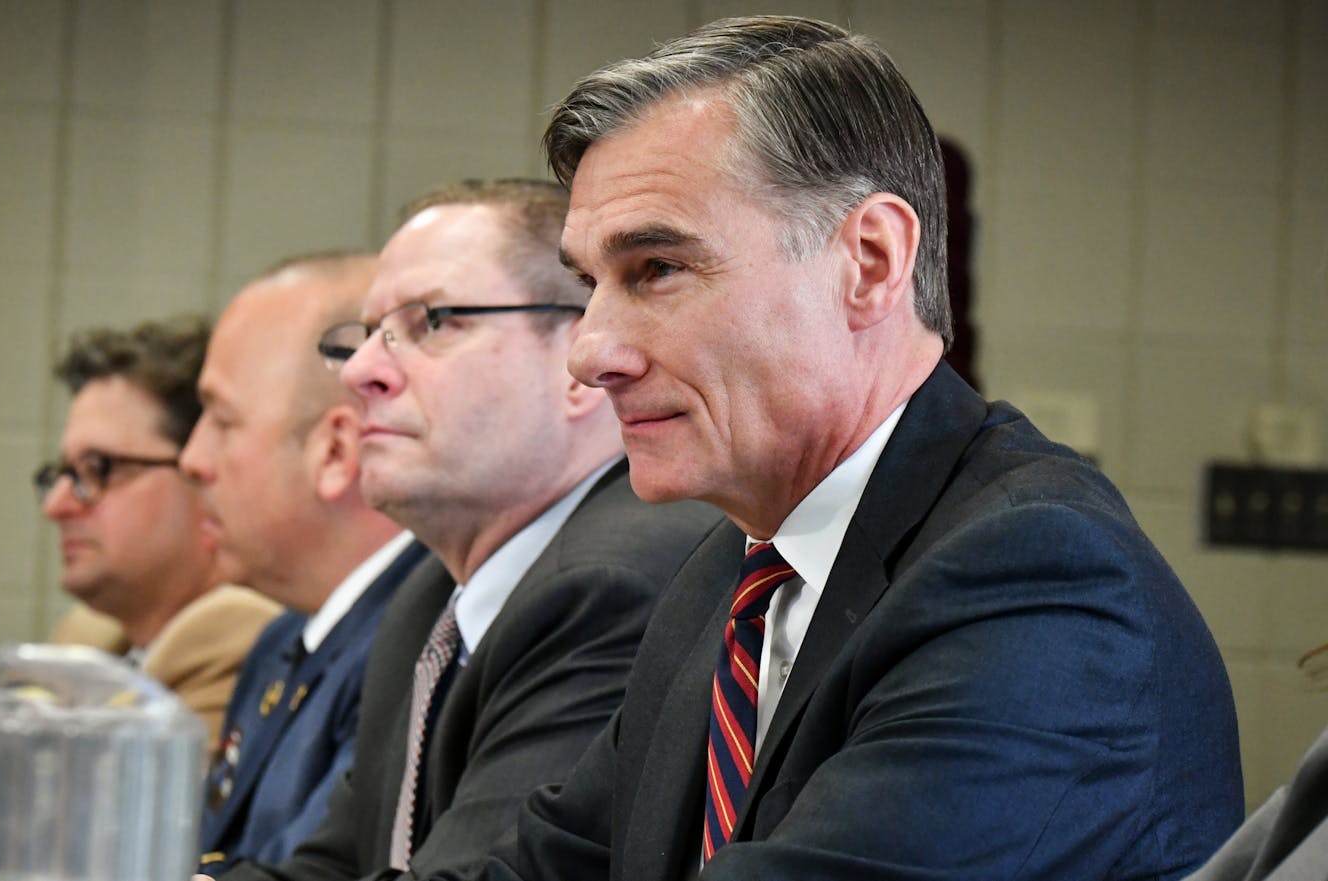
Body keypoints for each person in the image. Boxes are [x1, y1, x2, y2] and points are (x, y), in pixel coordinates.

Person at [428, 16, 1243, 880]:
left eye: (657, 268)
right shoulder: (730, 569)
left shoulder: (1036, 574)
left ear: (870, 260)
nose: (592, 352)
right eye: (592, 285)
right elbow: (541, 868)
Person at [213, 179, 723, 881]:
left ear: (579, 365)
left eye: (433, 321)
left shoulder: (617, 583)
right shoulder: (428, 598)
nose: (361, 371)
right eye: (365, 336)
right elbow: (336, 864)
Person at [180, 253, 430, 875]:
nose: (191, 458)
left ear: (338, 451)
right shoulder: (282, 639)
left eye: (221, 419)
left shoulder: (416, 645)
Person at [35, 317, 280, 753]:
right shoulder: (87, 638)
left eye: (99, 469)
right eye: (64, 473)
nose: (56, 505)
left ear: (204, 472)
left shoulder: (240, 639)